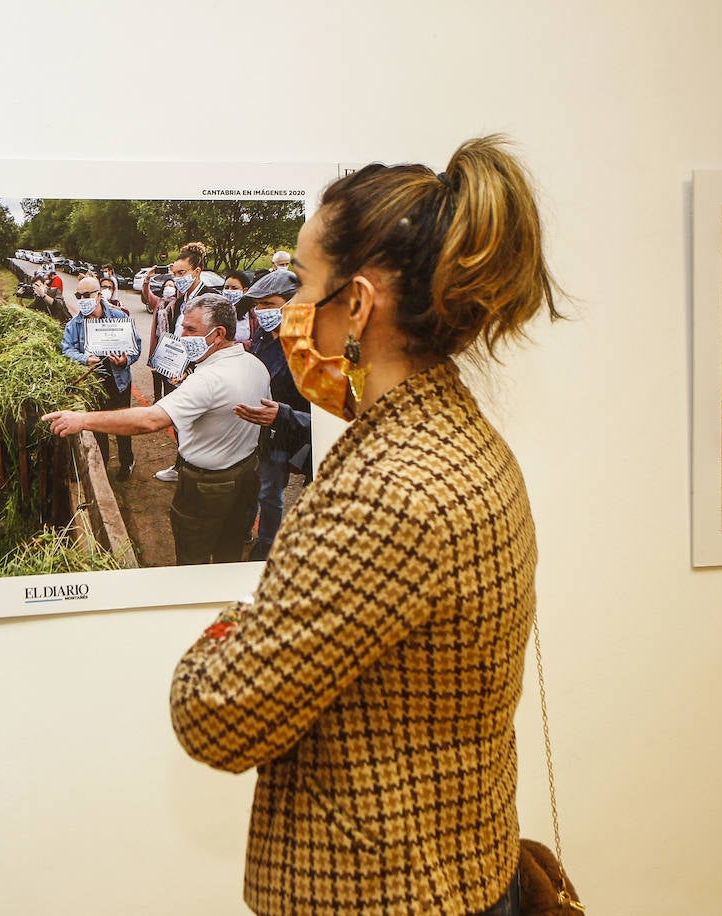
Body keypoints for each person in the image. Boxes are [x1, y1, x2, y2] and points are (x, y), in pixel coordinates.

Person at [170, 136, 562, 915]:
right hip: (462, 870)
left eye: (306, 282)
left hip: (386, 895)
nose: (289, 309)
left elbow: (213, 714)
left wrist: (231, 623)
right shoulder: (465, 439)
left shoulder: (386, 494)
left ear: (357, 303)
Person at [45, 293, 270, 563]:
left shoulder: (209, 379)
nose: (182, 336)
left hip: (206, 486)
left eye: (190, 329)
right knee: (229, 549)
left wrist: (82, 420)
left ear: (218, 333)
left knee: (192, 555)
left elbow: (149, 420)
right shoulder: (255, 364)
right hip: (246, 474)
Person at [230, 268, 313, 561]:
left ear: (292, 305)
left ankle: (266, 546)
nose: (261, 310)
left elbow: (320, 414)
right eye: (258, 304)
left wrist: (283, 414)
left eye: (269, 304)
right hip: (256, 428)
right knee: (250, 484)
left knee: (270, 491)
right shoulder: (264, 334)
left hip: (284, 433)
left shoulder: (309, 346)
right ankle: (243, 528)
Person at [138, 241, 212, 481]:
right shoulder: (179, 301)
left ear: (197, 271)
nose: (177, 278)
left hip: (198, 375)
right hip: (175, 374)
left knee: (199, 426)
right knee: (181, 424)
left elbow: (215, 342)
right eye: (174, 274)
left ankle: (197, 472)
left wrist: (191, 370)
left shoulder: (211, 300)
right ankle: (181, 466)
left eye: (182, 273)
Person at [59, 274, 142, 479]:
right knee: (98, 426)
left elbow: (136, 346)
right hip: (93, 385)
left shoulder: (119, 317)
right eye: (79, 295)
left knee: (123, 425)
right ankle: (102, 463)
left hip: (119, 382)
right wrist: (84, 359)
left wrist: (125, 361)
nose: (83, 299)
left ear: (98, 295)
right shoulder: (74, 324)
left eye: (87, 294)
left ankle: (127, 461)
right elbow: (66, 349)